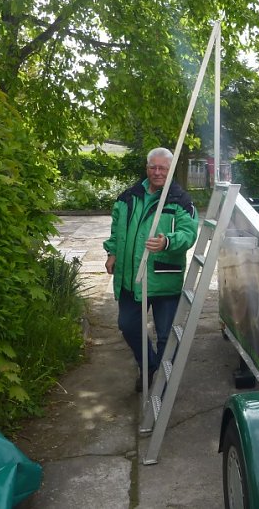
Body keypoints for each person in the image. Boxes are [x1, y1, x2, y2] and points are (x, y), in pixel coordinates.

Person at [103, 147, 198, 392]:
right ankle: (149, 365)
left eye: (162, 168)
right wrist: (112, 252)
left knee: (167, 336)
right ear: (147, 168)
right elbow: (116, 229)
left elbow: (189, 234)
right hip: (131, 278)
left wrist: (167, 241)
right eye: (153, 167)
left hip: (164, 280)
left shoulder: (180, 200)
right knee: (128, 325)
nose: (157, 172)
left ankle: (165, 385)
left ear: (170, 170)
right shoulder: (128, 197)